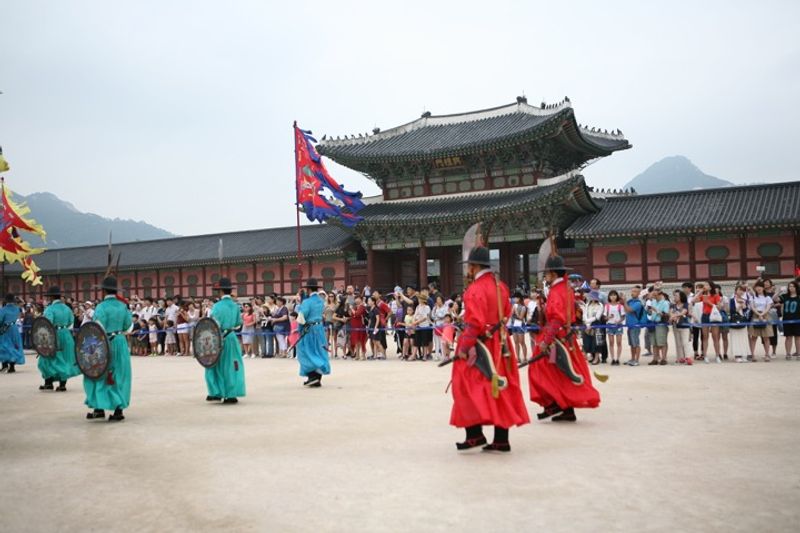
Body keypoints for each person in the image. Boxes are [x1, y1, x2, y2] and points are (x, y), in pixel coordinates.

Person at [451, 247, 529, 452]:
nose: (467, 270)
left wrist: (465, 347)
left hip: (481, 346)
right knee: (501, 388)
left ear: (474, 266)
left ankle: (474, 434)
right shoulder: (500, 286)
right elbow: (507, 311)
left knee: (466, 387)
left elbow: (474, 323)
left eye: (469, 266)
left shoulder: (474, 290)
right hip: (501, 345)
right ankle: (501, 439)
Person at [528, 255, 600, 422]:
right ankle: (564, 408)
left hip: (555, 338)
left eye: (546, 273)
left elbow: (557, 318)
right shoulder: (566, 289)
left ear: (553, 274)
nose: (545, 276)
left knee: (540, 371)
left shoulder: (557, 290)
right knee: (558, 373)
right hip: (564, 337)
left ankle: (554, 404)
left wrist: (546, 341)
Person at [83, 277, 133, 422]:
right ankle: (119, 410)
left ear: (103, 290)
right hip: (120, 341)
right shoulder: (123, 306)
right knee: (120, 374)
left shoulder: (101, 307)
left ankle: (98, 407)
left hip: (104, 342)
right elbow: (129, 327)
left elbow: (98, 327)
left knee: (98, 372)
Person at [205, 278, 246, 403]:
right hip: (232, 337)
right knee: (233, 364)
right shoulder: (235, 306)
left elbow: (213, 324)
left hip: (219, 337)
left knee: (214, 364)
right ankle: (231, 394)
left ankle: (216, 392)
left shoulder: (217, 306)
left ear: (221, 291)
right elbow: (239, 322)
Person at [295, 278, 330, 387]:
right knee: (319, 351)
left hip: (309, 330)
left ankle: (312, 376)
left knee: (306, 351)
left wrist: (300, 329)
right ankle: (317, 378)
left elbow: (301, 317)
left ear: (308, 289)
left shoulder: (307, 302)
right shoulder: (320, 300)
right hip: (319, 329)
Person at [748, 281, 774, 362]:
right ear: (755, 288)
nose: (759, 288)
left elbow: (768, 307)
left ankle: (767, 354)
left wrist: (762, 314)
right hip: (755, 316)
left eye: (760, 286)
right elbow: (752, 307)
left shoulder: (767, 298)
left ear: (763, 288)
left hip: (765, 316)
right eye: (757, 287)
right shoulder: (753, 297)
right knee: (754, 337)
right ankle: (753, 355)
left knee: (766, 337)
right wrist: (758, 314)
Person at [0, 293, 24, 374]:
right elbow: (22, 303)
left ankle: (4, 365)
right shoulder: (17, 309)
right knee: (14, 346)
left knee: (4, 346)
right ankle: (12, 367)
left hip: (5, 329)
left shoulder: (3, 310)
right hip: (14, 329)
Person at [647, 289, 670, 365]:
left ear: (660, 294)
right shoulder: (653, 302)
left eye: (655, 295)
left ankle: (663, 358)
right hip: (653, 323)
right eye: (653, 295)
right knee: (654, 342)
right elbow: (650, 313)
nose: (654, 297)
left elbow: (665, 314)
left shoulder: (665, 303)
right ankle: (655, 358)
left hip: (661, 323)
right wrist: (649, 311)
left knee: (662, 342)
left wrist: (656, 310)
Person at [623, 286, 645, 366]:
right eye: (632, 291)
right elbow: (625, 309)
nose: (633, 293)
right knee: (632, 343)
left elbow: (629, 310)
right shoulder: (630, 301)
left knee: (636, 343)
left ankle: (636, 360)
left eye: (635, 291)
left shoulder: (638, 303)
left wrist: (624, 302)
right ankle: (632, 359)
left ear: (639, 293)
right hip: (629, 325)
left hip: (635, 325)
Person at [669, 290, 691, 365]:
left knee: (685, 342)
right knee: (678, 343)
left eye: (676, 296)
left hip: (684, 325)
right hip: (675, 326)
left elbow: (684, 312)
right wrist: (672, 316)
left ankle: (688, 358)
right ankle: (680, 358)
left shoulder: (685, 304)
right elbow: (670, 312)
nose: (674, 297)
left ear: (681, 297)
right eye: (674, 295)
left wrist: (675, 316)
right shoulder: (672, 305)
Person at [779, 281, 800, 359]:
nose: (791, 288)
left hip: (797, 320)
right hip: (787, 319)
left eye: (792, 286)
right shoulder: (785, 296)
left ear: (796, 287)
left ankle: (798, 353)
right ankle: (788, 353)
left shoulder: (799, 297)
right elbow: (774, 299)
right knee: (788, 337)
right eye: (789, 286)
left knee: (798, 337)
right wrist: (779, 291)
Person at [604, 290, 625, 365]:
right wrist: (608, 317)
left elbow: (623, 317)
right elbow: (605, 318)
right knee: (611, 342)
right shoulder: (607, 306)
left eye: (614, 295)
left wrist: (619, 321)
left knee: (619, 342)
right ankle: (613, 358)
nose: (613, 296)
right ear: (609, 297)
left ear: (617, 296)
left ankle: (618, 359)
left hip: (618, 326)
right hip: (610, 325)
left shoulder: (620, 306)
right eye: (611, 295)